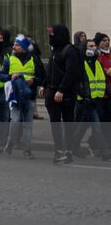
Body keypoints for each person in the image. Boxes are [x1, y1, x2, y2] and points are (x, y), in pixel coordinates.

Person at [0, 35, 42, 158]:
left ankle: (27, 150)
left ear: (23, 47)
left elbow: (43, 77)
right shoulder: (9, 60)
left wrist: (34, 80)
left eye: (17, 45)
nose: (14, 47)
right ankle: (10, 145)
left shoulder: (34, 60)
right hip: (15, 96)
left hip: (29, 96)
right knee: (15, 121)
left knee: (28, 124)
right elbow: (0, 76)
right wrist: (10, 76)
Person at [45, 24, 81, 165]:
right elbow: (51, 70)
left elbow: (70, 72)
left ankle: (68, 151)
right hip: (53, 90)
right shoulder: (55, 50)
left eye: (53, 35)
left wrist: (61, 90)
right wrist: (44, 84)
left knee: (67, 122)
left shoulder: (70, 50)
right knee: (55, 122)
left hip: (65, 92)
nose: (51, 38)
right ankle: (59, 150)